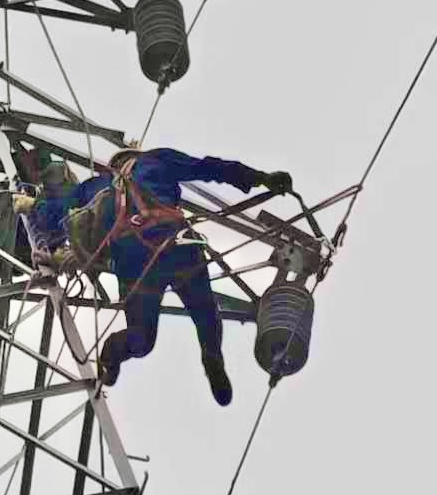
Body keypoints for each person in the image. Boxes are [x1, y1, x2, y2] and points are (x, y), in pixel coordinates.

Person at [18, 146, 292, 406]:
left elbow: (55, 216)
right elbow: (209, 168)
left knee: (142, 339)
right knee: (206, 315)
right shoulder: (155, 160)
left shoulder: (95, 186)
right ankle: (212, 358)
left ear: (112, 166)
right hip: (176, 246)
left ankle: (112, 353)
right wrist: (261, 178)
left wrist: (32, 205)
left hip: (134, 262)